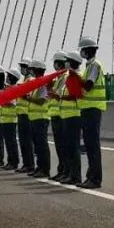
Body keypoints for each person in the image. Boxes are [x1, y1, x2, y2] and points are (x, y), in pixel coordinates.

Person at [76, 36, 107, 190]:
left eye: (82, 50)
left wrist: (76, 79)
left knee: (92, 145)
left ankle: (95, 179)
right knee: (89, 144)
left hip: (92, 109)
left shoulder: (94, 65)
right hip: (88, 109)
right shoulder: (89, 66)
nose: (81, 53)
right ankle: (91, 177)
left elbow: (88, 86)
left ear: (88, 50)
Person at [58, 51, 84, 185]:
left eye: (68, 60)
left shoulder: (77, 76)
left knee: (73, 147)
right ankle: (70, 174)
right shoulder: (69, 76)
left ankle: (75, 176)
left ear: (73, 62)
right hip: (67, 116)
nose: (66, 63)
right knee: (68, 147)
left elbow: (75, 95)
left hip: (74, 115)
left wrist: (59, 97)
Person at [26, 59, 51, 179]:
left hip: (41, 118)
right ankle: (39, 167)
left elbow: (41, 101)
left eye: (32, 69)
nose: (30, 71)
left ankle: (44, 169)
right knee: (37, 145)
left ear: (36, 70)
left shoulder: (42, 83)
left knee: (41, 145)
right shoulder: (37, 83)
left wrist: (28, 99)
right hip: (35, 118)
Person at [15, 57, 35, 174]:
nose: (22, 69)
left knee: (27, 142)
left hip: (26, 114)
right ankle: (26, 164)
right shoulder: (25, 80)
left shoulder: (30, 80)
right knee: (23, 142)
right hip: (22, 114)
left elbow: (28, 96)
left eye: (23, 67)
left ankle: (30, 165)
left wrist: (19, 90)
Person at [49, 52, 67, 181]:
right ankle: (61, 171)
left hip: (61, 115)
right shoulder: (59, 78)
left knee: (62, 146)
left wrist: (51, 92)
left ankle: (65, 171)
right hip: (56, 115)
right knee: (59, 146)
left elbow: (59, 95)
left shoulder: (64, 77)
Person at [0, 68, 21, 171]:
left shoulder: (14, 89)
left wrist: (2, 101)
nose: (7, 78)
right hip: (5, 119)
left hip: (10, 119)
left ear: (12, 78)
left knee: (11, 142)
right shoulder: (8, 88)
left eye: (8, 76)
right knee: (8, 142)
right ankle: (10, 161)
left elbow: (11, 103)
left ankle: (14, 162)